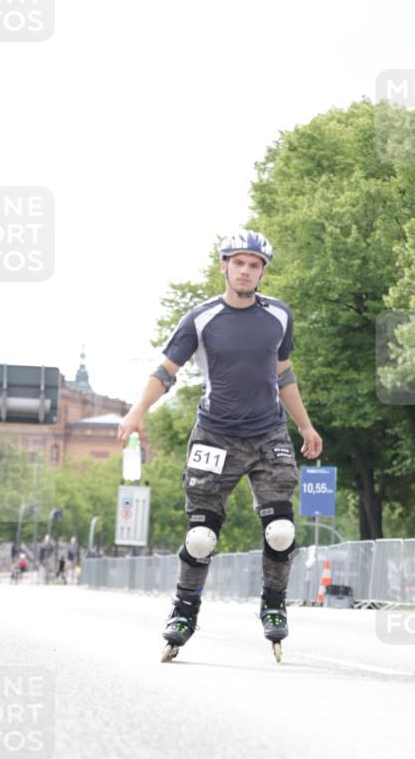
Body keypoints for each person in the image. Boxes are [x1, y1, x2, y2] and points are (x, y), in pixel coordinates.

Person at [117, 229, 322, 654]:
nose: (246, 271)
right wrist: (138, 411)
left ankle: (273, 603)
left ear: (263, 272)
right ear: (224, 266)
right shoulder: (201, 318)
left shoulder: (279, 317)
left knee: (281, 530)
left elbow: (283, 374)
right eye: (239, 263)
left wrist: (305, 425)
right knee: (201, 538)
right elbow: (166, 371)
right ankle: (184, 610)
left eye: (255, 265)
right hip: (214, 435)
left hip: (269, 434)